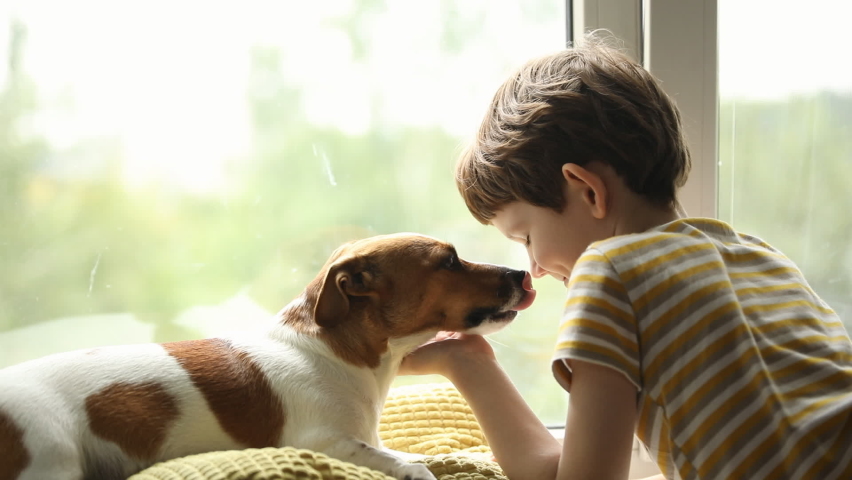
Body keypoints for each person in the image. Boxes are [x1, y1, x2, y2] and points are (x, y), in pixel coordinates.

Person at [398, 35, 852, 480]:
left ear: (588, 191)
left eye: (528, 237)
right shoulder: (757, 253)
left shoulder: (609, 273)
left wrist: (468, 364)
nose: (533, 267)